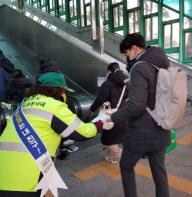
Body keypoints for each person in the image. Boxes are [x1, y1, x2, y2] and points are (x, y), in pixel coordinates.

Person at [0, 72, 105, 197]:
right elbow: (84, 133)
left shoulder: (23, 105)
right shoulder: (54, 106)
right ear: (58, 91)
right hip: (24, 181)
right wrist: (100, 124)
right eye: (64, 91)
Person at [108, 33, 170, 197]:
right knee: (159, 172)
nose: (127, 57)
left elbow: (137, 105)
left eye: (127, 53)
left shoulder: (140, 67)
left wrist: (113, 117)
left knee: (126, 167)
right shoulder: (161, 65)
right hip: (161, 128)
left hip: (141, 133)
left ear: (134, 48)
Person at [90, 62, 128, 164]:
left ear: (109, 71)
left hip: (111, 115)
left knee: (110, 139)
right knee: (115, 137)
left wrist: (92, 108)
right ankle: (110, 156)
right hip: (123, 113)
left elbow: (101, 98)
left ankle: (120, 156)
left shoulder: (108, 84)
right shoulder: (126, 83)